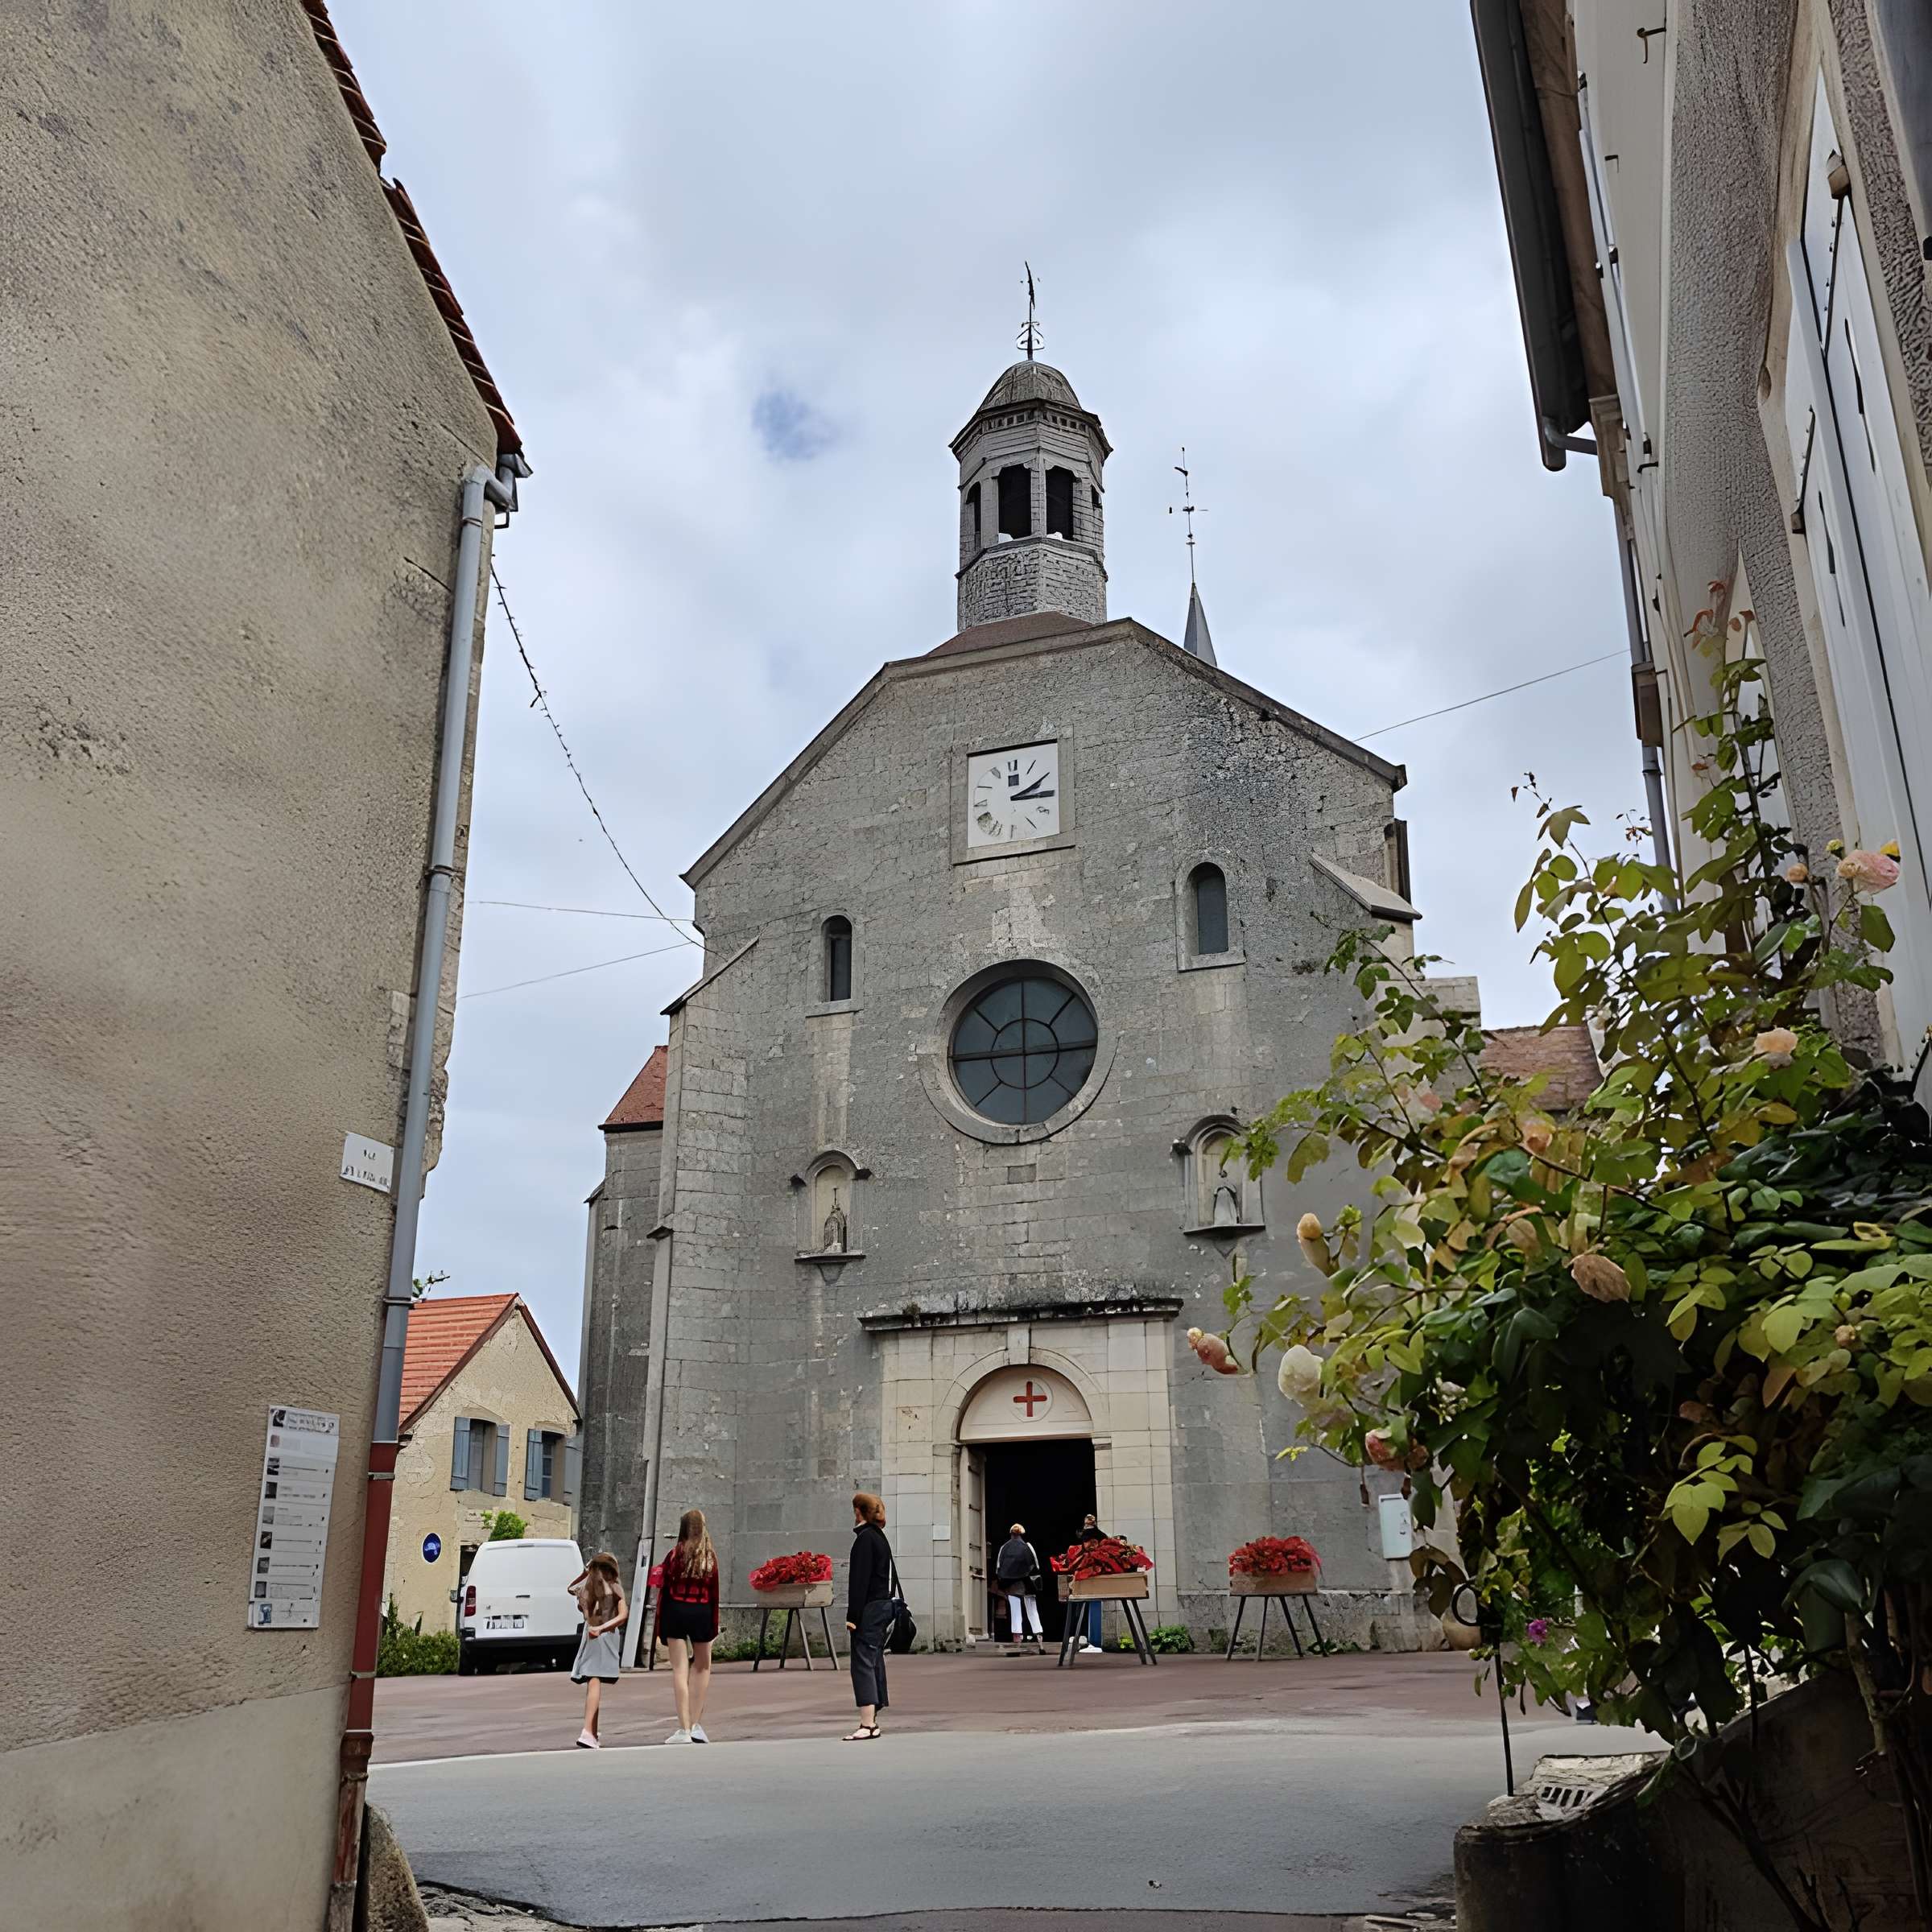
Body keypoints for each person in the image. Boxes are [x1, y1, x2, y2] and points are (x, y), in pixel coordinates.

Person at [656, 1507, 720, 1744]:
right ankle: (695, 1725)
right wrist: (713, 1626)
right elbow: (715, 1595)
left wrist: (660, 1625)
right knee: (702, 1667)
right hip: (702, 1611)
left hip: (676, 1611)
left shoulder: (675, 1555)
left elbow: (664, 1590)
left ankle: (683, 1729)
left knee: (679, 1669)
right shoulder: (710, 1558)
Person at [844, 1490, 895, 1740]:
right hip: (883, 1605)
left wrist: (852, 1617)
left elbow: (859, 1582)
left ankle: (867, 1723)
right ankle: (873, 1715)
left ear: (859, 1512)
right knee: (874, 1660)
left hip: (869, 1608)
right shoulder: (880, 1537)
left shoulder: (864, 1540)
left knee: (862, 1662)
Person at [566, 1553, 627, 1749]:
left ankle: (592, 1732)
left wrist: (584, 1572)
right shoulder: (615, 1588)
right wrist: (602, 1628)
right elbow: (623, 1615)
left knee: (593, 1680)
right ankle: (587, 1731)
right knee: (595, 1680)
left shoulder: (586, 1591)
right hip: (605, 1634)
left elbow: (570, 1589)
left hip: (590, 1634)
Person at [994, 1522, 1043, 1645]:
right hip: (1027, 1584)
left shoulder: (1004, 1547)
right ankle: (1038, 1634)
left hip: (1011, 1585)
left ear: (1011, 1534)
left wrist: (1003, 1581)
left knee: (1015, 1610)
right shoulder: (1028, 1547)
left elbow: (998, 1568)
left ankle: (1017, 1636)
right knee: (1032, 1609)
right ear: (1022, 1534)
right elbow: (1036, 1565)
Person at [1075, 1513, 1107, 1654]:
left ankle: (1094, 1641)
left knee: (1091, 1603)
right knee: (1091, 1603)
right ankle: (1089, 1638)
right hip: (1097, 1572)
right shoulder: (1103, 1536)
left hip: (1091, 1573)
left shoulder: (1089, 1537)